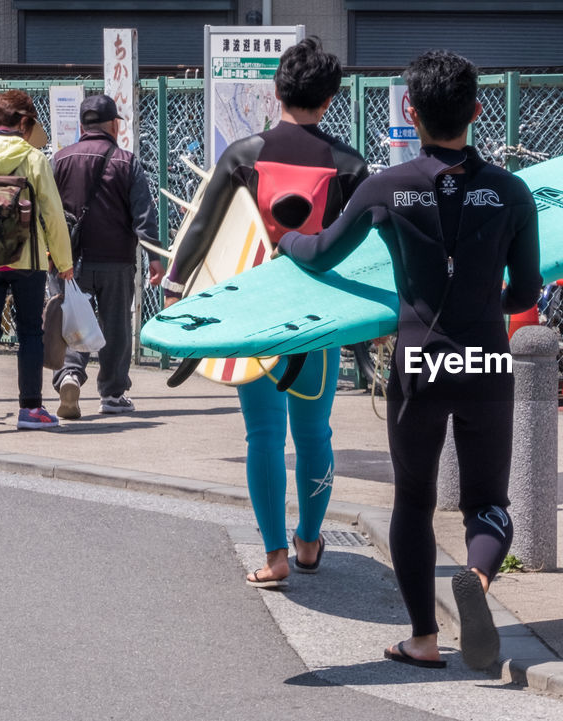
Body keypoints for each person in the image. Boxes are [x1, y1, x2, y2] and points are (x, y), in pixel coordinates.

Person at [278, 50, 541, 671]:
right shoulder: (511, 191)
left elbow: (318, 254)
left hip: (419, 361)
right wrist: (488, 303)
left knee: (414, 503)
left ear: (410, 112)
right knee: (487, 502)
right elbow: (527, 294)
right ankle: (475, 579)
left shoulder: (386, 189)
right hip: (485, 362)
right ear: (477, 111)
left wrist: (282, 236)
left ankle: (423, 636)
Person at [161, 38, 368, 588]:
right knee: (315, 432)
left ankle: (274, 556)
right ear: (330, 100)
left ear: (275, 91)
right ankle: (308, 542)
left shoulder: (243, 154)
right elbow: (365, 247)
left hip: (254, 316)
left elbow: (202, 229)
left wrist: (175, 289)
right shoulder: (349, 164)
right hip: (316, 316)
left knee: (262, 435)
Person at [0, 89, 75, 433]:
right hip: (28, 261)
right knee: (29, 333)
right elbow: (53, 215)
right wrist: (63, 260)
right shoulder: (33, 159)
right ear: (25, 124)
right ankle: (31, 408)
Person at [51, 94, 163, 419]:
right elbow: (144, 213)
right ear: (114, 124)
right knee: (115, 327)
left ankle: (70, 375)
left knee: (74, 320)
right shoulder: (126, 161)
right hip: (116, 259)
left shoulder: (60, 159)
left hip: (73, 261)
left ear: (83, 126)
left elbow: (48, 209)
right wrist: (154, 255)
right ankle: (113, 393)